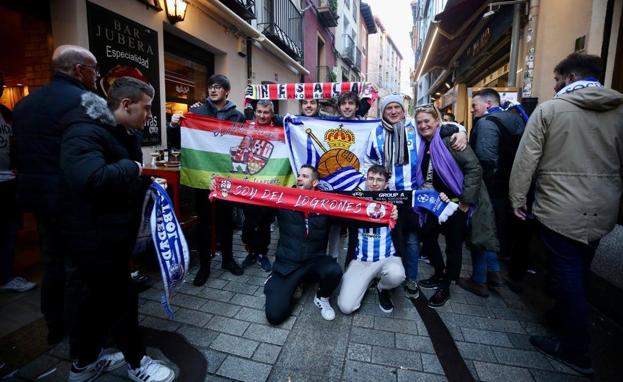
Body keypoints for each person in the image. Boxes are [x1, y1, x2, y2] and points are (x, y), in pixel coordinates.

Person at [509, 53, 623, 376]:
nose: (555, 85)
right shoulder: (619, 109)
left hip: (559, 208)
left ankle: (576, 348)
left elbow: (525, 160)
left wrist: (517, 198)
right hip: (603, 210)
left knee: (566, 274)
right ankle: (562, 318)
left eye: (558, 79)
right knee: (581, 270)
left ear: (571, 78)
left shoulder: (550, 110)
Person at [61, 77, 174, 382]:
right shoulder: (84, 131)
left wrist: (147, 183)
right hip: (94, 236)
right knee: (120, 300)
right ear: (126, 105)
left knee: (94, 302)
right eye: (146, 108)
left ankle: (84, 364)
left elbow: (116, 181)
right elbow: (91, 179)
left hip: (107, 234)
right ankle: (137, 364)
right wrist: (134, 169)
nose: (150, 115)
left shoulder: (121, 133)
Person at [12, 45, 98, 344]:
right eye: (93, 70)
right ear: (78, 70)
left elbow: (16, 154)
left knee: (52, 262)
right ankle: (82, 335)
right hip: (73, 198)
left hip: (37, 198)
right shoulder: (87, 102)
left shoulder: (24, 105)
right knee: (80, 267)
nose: (95, 76)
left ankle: (54, 326)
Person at [364, 94, 468, 299]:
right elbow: (368, 161)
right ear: (383, 112)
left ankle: (410, 278)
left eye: (397, 107)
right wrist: (372, 187)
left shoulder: (415, 127)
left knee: (412, 240)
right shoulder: (375, 132)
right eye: (388, 108)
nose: (393, 111)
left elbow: (446, 127)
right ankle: (383, 276)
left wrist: (462, 131)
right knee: (387, 237)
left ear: (403, 110)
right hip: (387, 196)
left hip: (413, 197)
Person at [414, 105, 498, 308]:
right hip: (432, 202)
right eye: (419, 122)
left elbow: (474, 169)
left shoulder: (450, 141)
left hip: (454, 203)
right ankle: (439, 272)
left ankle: (445, 286)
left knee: (453, 246)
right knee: (427, 236)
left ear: (437, 121)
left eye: (427, 121)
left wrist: (464, 201)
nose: (423, 125)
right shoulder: (421, 143)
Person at [171, 74, 245, 286]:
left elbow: (243, 144)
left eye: (218, 87)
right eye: (211, 87)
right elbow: (180, 141)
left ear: (227, 91)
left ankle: (228, 260)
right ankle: (204, 266)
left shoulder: (236, 117)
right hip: (202, 177)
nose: (213, 90)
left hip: (226, 177)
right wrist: (175, 125)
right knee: (204, 223)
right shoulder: (196, 112)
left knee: (226, 221)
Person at [457, 88, 526, 297]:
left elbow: (485, 161)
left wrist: (474, 190)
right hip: (511, 186)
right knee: (491, 230)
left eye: (475, 106)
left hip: (490, 186)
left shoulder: (487, 124)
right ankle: (494, 272)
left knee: (480, 229)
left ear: (488, 104)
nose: (472, 111)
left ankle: (479, 280)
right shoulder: (516, 120)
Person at [263, 165, 343, 324]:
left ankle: (321, 298)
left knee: (334, 270)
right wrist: (225, 190)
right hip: (288, 263)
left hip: (314, 259)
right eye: (298, 175)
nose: (299, 178)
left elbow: (349, 217)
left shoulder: (326, 203)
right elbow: (258, 205)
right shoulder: (282, 198)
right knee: (274, 316)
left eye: (305, 176)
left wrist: (386, 210)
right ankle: (276, 282)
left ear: (315, 182)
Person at [338, 165, 403, 314]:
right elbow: (337, 220)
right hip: (361, 260)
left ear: (386, 184)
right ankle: (366, 281)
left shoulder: (396, 202)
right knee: (345, 307)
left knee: (397, 274)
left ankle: (382, 287)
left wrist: (398, 217)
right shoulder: (355, 202)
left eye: (379, 180)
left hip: (387, 258)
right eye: (371, 179)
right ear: (366, 181)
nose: (374, 183)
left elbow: (415, 223)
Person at [0, 76, 37, 293]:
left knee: (9, 230)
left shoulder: (5, 113)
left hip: (7, 180)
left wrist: (16, 164)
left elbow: (14, 142)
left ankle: (6, 275)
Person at [240, 100, 275, 272]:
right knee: (249, 221)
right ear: (255, 112)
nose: (262, 115)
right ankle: (251, 250)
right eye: (259, 112)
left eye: (266, 112)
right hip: (249, 184)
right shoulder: (246, 127)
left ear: (272, 114)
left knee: (265, 222)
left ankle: (262, 253)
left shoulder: (279, 130)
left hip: (270, 185)